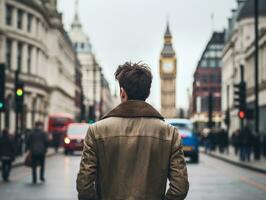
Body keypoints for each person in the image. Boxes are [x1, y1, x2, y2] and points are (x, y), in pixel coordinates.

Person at [76, 62, 189, 200]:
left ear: (122, 93)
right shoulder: (169, 133)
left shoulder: (96, 131)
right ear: (147, 93)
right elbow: (180, 187)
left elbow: (84, 185)